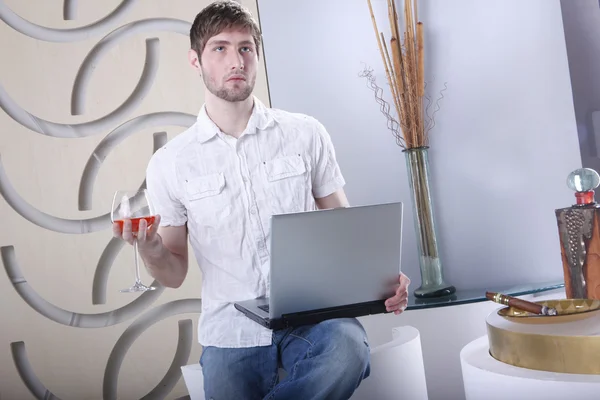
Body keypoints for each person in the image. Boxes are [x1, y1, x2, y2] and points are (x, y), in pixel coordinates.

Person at [113, 1, 410, 399]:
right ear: (195, 61)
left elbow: (344, 226)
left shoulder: (306, 133)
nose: (236, 59)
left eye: (245, 48)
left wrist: (381, 278)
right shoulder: (170, 162)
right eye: (220, 48)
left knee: (347, 351)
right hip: (230, 331)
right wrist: (150, 250)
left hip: (314, 317)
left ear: (256, 55)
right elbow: (173, 273)